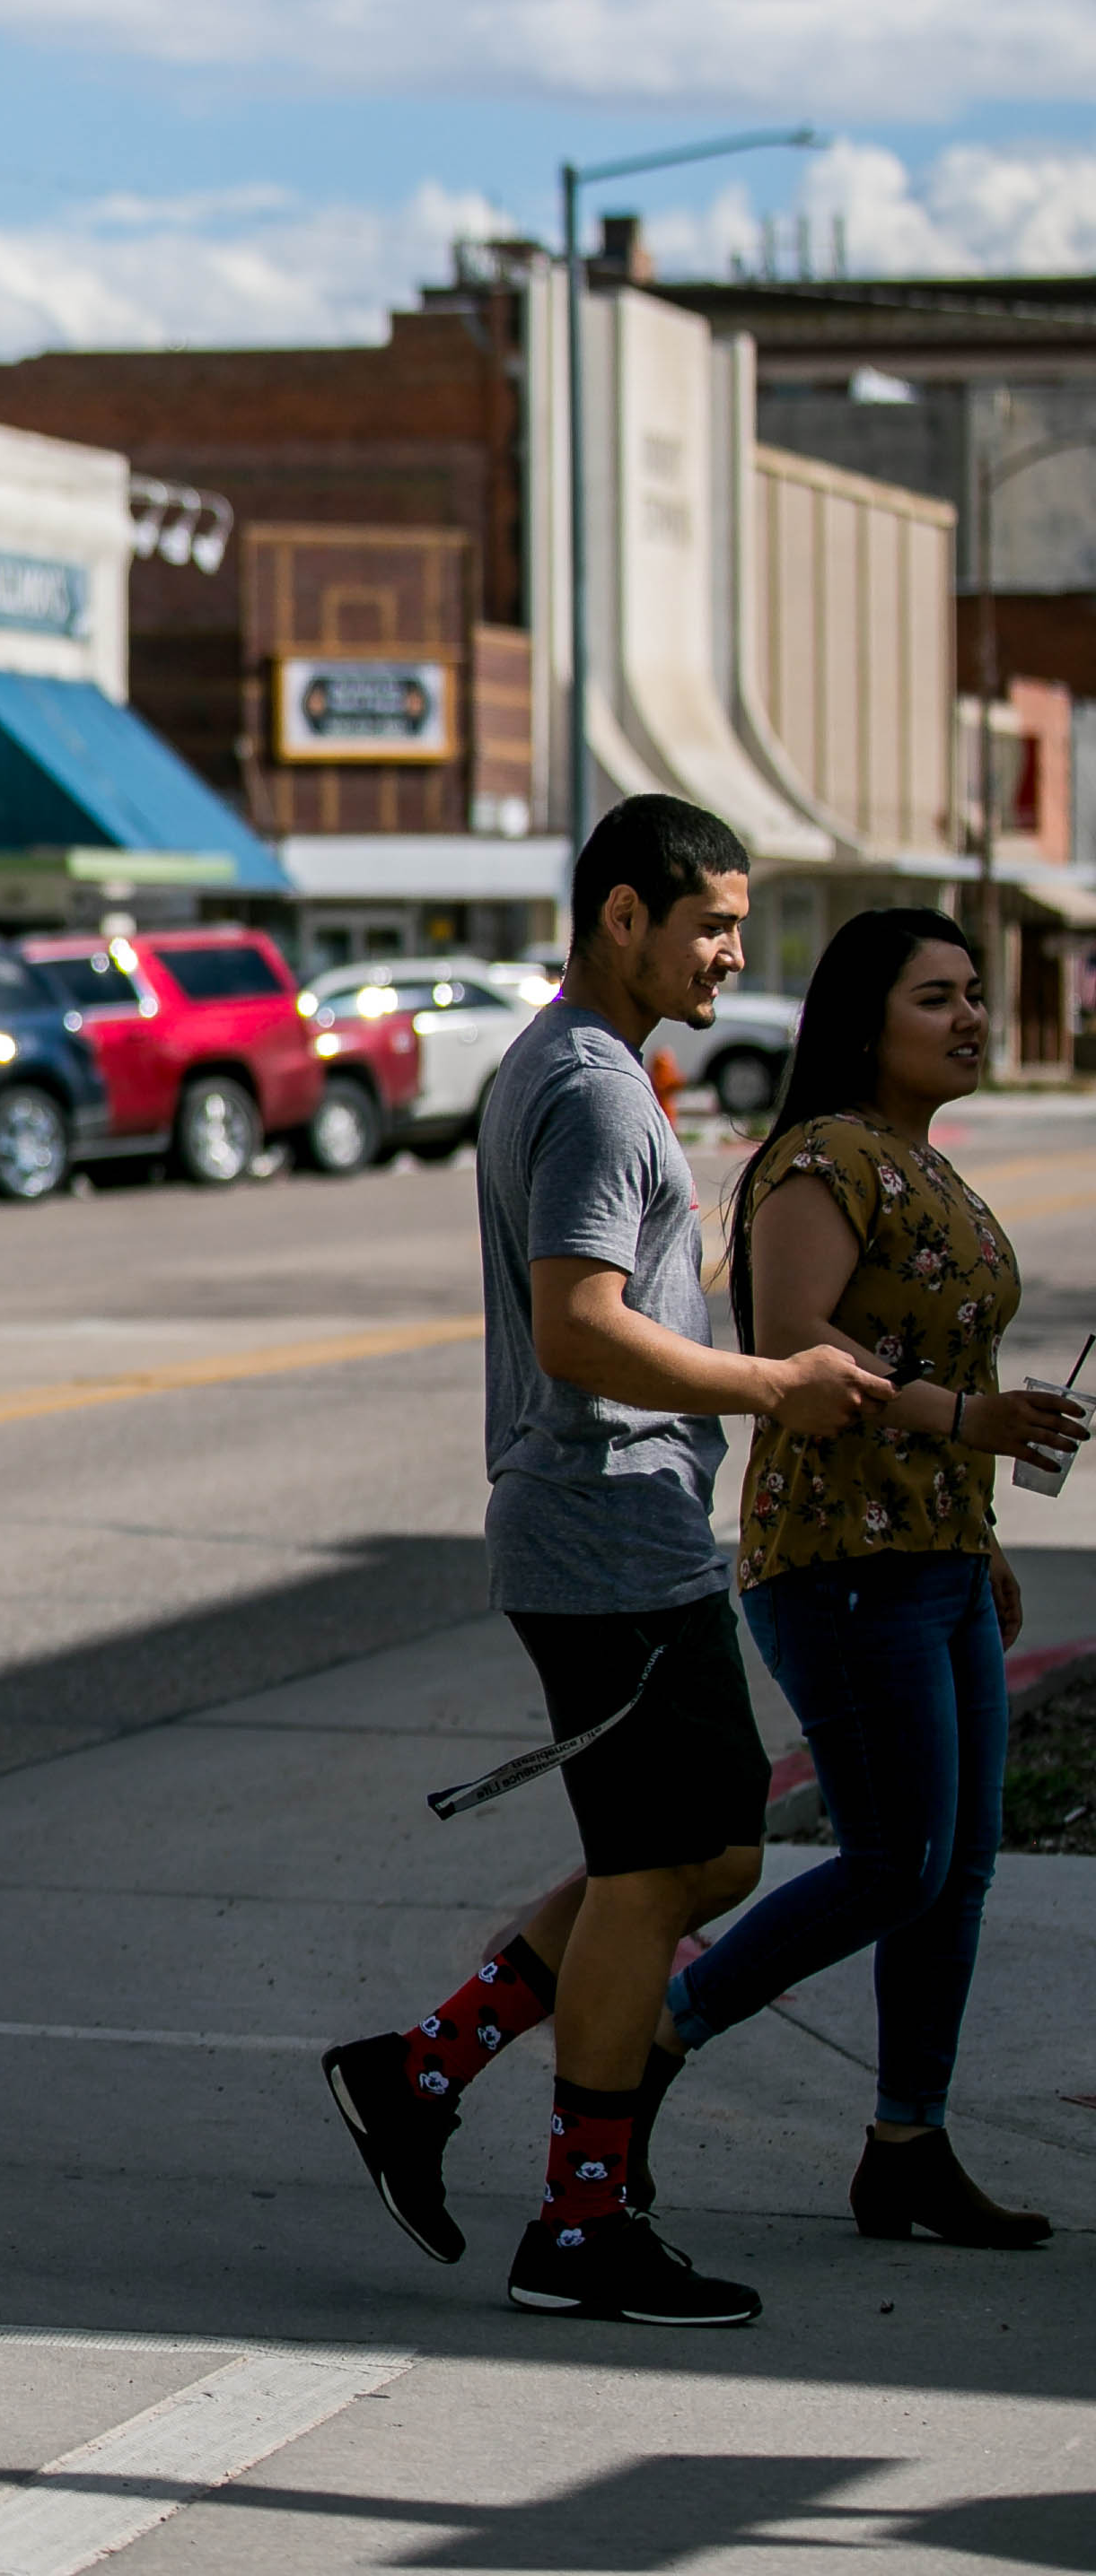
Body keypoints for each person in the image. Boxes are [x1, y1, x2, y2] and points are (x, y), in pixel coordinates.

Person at [322, 794, 890, 2327]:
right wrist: (773, 1387)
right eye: (708, 922)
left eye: (739, 925)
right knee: (670, 1866)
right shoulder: (586, 1086)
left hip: (617, 1526)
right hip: (604, 1527)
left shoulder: (583, 1071)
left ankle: (422, 2072)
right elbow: (577, 1321)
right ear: (619, 917)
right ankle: (576, 2224)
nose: (730, 951)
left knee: (701, 1852)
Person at [660, 910, 1064, 2245]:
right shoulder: (825, 1160)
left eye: (974, 997)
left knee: (959, 1869)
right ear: (863, 1020)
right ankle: (653, 2030)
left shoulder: (919, 1160)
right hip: (838, 1560)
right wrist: (965, 1426)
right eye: (935, 997)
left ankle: (908, 2146)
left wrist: (980, 1525)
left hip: (933, 1557)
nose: (968, 1019)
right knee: (897, 1861)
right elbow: (789, 1340)